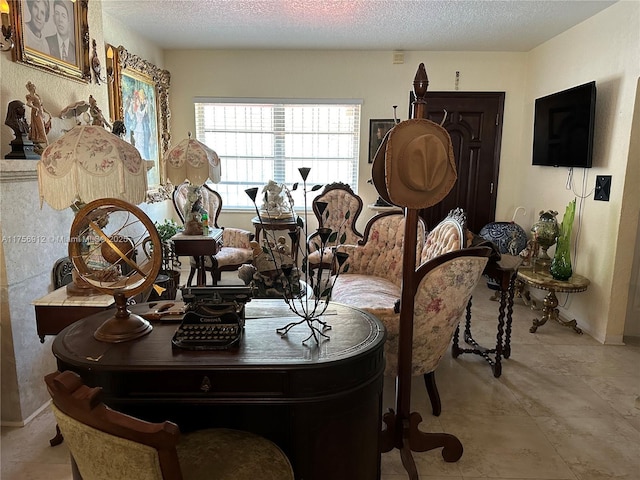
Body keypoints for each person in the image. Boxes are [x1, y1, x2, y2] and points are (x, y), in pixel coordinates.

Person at [25, 81, 51, 147]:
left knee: (43, 127)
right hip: (36, 113)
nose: (34, 88)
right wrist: (35, 108)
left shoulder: (37, 96)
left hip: (41, 113)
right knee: (40, 127)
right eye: (32, 87)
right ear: (30, 89)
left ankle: (38, 143)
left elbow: (41, 106)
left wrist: (48, 113)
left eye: (34, 87)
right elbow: (28, 104)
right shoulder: (31, 96)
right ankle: (47, 144)